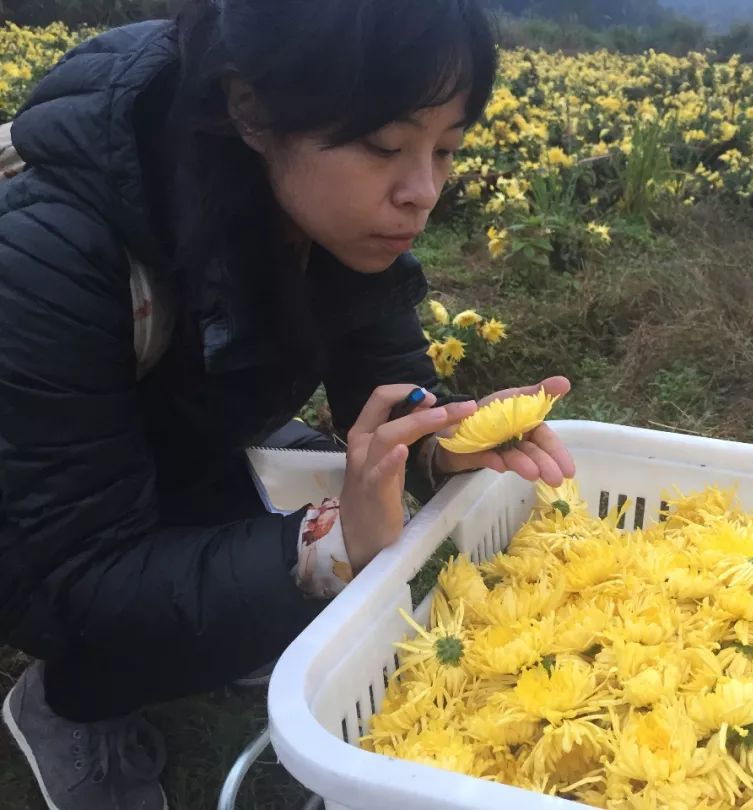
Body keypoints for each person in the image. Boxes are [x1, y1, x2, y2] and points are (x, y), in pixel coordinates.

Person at [0, 2, 575, 808]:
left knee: (302, 570)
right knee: (301, 569)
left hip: (177, 437)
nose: (423, 192)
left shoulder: (326, 214)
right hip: (34, 513)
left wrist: (447, 441)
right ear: (251, 108)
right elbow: (64, 576)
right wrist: (326, 544)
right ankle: (68, 705)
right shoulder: (50, 249)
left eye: (447, 149)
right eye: (386, 146)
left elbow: (390, 376)